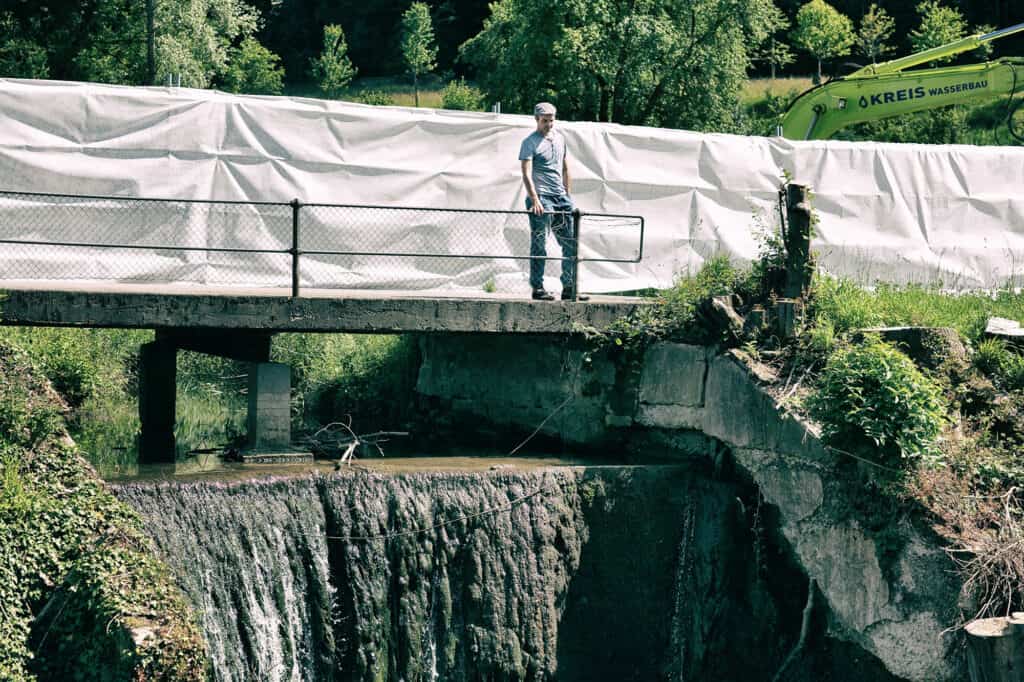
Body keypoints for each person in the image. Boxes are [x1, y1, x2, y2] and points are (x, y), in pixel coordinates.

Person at [518, 102, 588, 301]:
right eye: (544, 121)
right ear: (536, 120)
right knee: (539, 243)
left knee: (570, 243)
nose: (549, 124)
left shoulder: (560, 139)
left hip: (560, 198)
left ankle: (569, 287)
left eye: (551, 120)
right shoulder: (530, 142)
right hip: (541, 198)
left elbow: (565, 169)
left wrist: (568, 195)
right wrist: (535, 200)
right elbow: (526, 173)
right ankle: (538, 288)